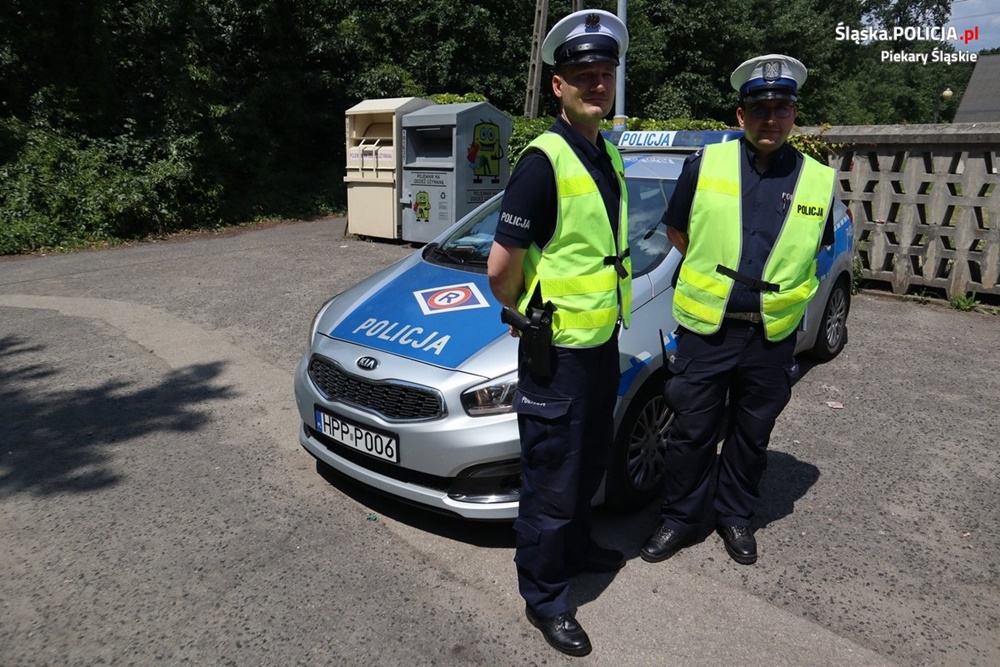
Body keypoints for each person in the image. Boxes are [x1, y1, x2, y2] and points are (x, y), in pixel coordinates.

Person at [639, 54, 837, 567]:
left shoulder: (818, 179)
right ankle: (681, 519)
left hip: (772, 336)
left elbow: (815, 246)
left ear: (794, 115)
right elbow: (678, 233)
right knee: (691, 433)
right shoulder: (705, 165)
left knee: (752, 435)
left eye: (782, 108)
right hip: (708, 330)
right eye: (760, 107)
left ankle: (735, 516)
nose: (771, 118)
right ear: (740, 115)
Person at [486, 9, 631, 658]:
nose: (596, 84)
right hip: (556, 357)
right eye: (582, 76)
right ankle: (545, 597)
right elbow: (501, 268)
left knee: (587, 463)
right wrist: (528, 315)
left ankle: (576, 549)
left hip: (599, 348)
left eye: (604, 74)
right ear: (558, 87)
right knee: (550, 482)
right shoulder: (544, 161)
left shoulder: (607, 155)